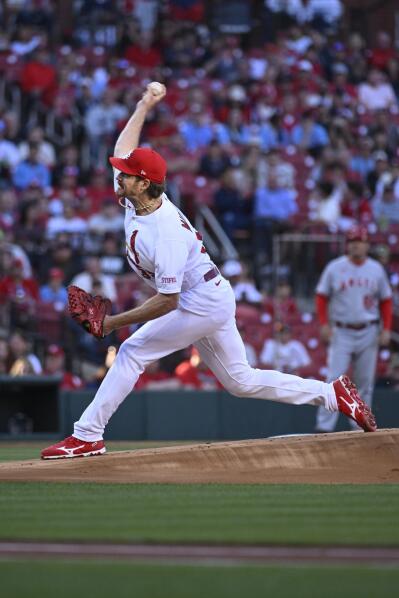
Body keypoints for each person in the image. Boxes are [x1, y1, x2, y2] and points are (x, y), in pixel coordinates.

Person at [41, 83, 377, 460]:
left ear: (145, 182)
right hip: (207, 294)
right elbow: (123, 150)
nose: (118, 176)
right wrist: (143, 105)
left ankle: (87, 434)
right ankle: (333, 394)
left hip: (197, 301)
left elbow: (168, 301)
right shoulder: (137, 198)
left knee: (132, 350)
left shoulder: (165, 232)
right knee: (240, 380)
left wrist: (113, 322)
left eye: (127, 175)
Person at [314, 225, 392, 433]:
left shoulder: (375, 269)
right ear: (348, 245)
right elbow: (321, 297)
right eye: (352, 241)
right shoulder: (334, 267)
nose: (356, 245)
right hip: (342, 331)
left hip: (369, 330)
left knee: (365, 382)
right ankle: (324, 427)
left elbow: (386, 301)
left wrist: (386, 328)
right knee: (333, 378)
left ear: (367, 245)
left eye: (360, 241)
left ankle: (360, 427)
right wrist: (324, 324)